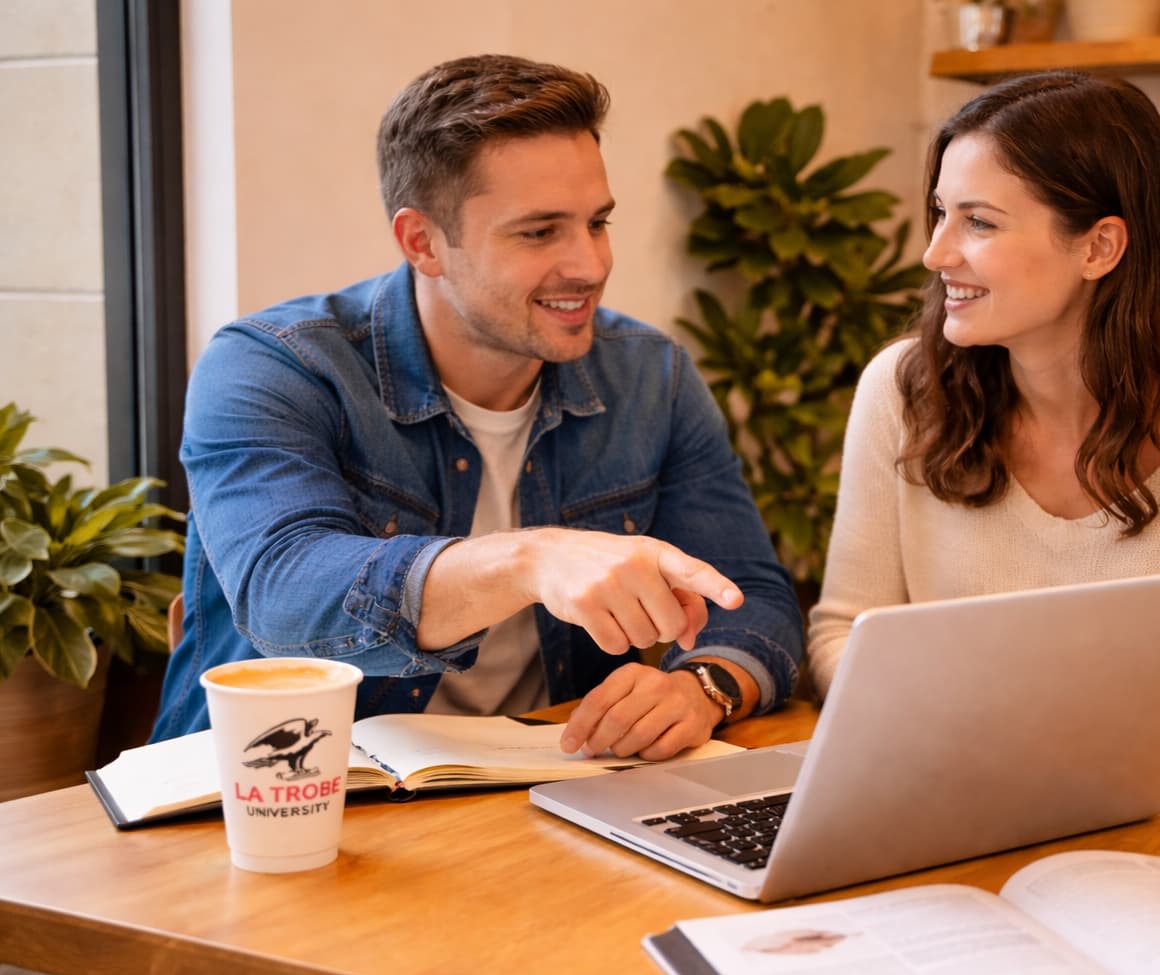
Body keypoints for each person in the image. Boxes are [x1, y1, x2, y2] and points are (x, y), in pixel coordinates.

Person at [149, 53, 803, 761]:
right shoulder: (275, 365)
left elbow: (753, 596)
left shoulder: (651, 376)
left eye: (597, 222)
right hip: (272, 788)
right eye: (539, 231)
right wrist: (529, 559)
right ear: (422, 242)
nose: (589, 264)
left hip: (536, 789)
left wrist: (703, 686)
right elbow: (284, 593)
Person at [806, 71, 1160, 779]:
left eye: (979, 222)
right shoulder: (902, 392)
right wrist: (1156, 730)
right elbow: (844, 633)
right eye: (941, 213)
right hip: (951, 804)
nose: (936, 254)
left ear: (1099, 248)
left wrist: (1010, 730)